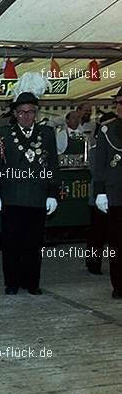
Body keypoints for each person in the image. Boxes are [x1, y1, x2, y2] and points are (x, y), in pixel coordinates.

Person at [0, 91, 59, 295]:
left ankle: (32, 282)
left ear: (36, 113)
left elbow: (53, 165)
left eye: (30, 112)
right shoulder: (4, 133)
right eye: (21, 112)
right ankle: (12, 282)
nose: (26, 117)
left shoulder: (46, 133)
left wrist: (53, 193)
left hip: (37, 197)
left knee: (34, 243)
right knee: (11, 244)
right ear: (15, 114)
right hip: (12, 196)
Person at [93, 100, 122, 299]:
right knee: (117, 243)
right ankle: (119, 285)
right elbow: (99, 163)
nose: (120, 107)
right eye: (118, 103)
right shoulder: (106, 130)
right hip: (116, 194)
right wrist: (100, 191)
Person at [86, 112, 117, 275]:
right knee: (97, 232)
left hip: (114, 195)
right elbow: (96, 170)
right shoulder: (95, 148)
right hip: (99, 196)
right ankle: (93, 262)